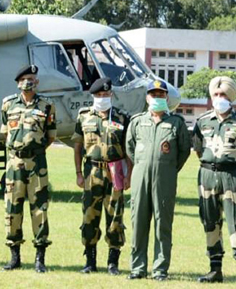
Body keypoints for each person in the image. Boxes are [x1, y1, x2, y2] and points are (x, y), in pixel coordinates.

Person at [192, 76, 236, 288]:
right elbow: (199, 150)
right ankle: (215, 269)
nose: (219, 98)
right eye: (216, 95)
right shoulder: (202, 121)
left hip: (233, 177)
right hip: (207, 176)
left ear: (231, 97)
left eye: (223, 95)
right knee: (210, 221)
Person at [126, 80, 191, 280]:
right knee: (138, 223)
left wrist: (169, 168)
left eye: (161, 94)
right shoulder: (137, 121)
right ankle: (138, 268)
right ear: (147, 98)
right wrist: (142, 165)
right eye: (153, 95)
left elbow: (183, 151)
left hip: (165, 179)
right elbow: (129, 148)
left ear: (166, 98)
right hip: (140, 178)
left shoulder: (176, 123)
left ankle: (160, 269)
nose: (157, 98)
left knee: (163, 223)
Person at [71, 78, 131, 275]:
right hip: (92, 171)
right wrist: (79, 174)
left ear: (111, 95)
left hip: (115, 171)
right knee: (90, 214)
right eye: (99, 95)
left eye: (106, 95)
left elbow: (129, 149)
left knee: (115, 216)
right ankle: (90, 261)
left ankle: (113, 262)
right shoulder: (84, 117)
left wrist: (128, 174)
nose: (102, 98)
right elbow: (77, 147)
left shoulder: (122, 118)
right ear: (93, 96)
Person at [0, 64, 56, 273]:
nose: (28, 82)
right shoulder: (7, 104)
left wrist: (34, 150)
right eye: (24, 79)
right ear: (18, 83)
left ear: (37, 82)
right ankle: (14, 257)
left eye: (31, 78)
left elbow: (51, 136)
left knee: (39, 209)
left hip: (37, 163)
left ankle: (40, 258)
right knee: (12, 209)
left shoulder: (47, 106)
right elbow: (5, 132)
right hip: (14, 162)